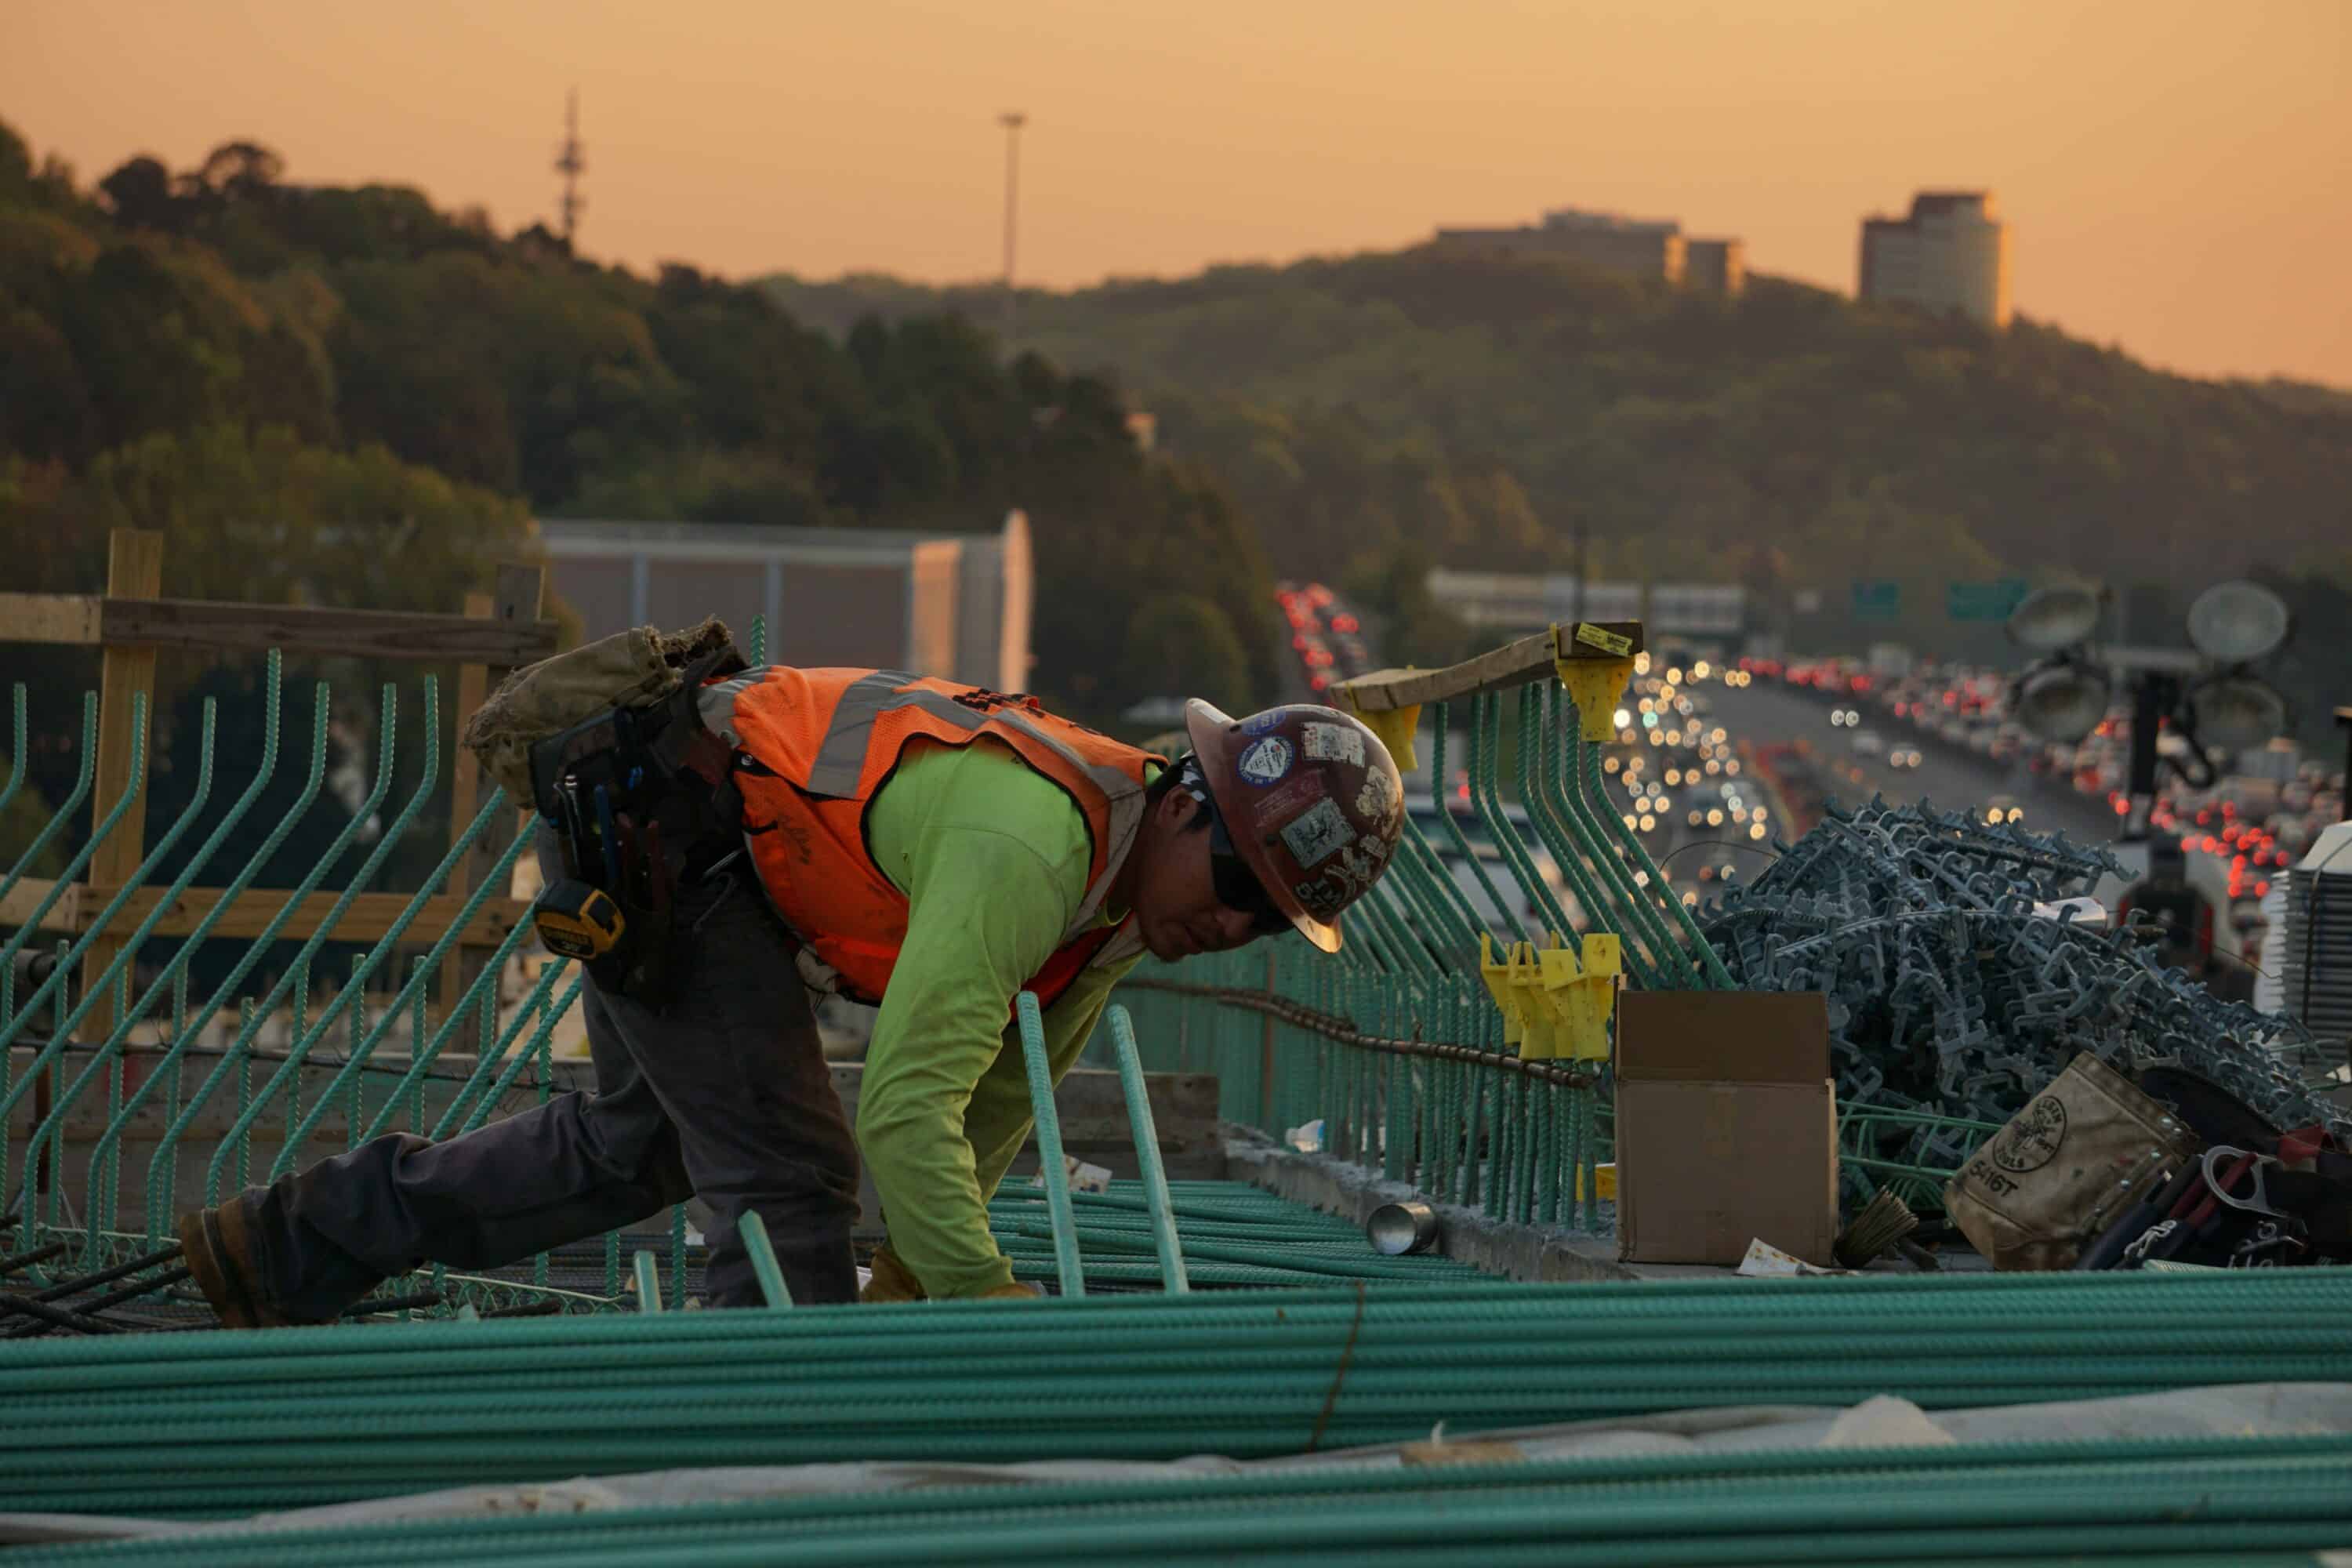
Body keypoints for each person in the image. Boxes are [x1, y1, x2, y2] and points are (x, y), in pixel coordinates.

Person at [176, 661, 1405, 1323]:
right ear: (1190, 796)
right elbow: (904, 1114)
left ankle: (285, 1247)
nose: (1232, 923)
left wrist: (915, 1290)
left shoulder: (1122, 914)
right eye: (1240, 876)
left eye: (1271, 923)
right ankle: (766, 1476)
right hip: (672, 838)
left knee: (639, 1149)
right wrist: (990, 1316)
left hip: (700, 849)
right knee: (786, 1185)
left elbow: (986, 1116)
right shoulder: (1035, 852)